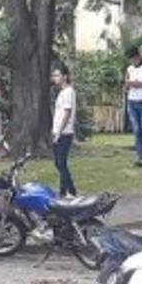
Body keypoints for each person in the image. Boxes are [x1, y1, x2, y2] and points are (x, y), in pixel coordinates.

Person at [52, 64, 77, 197]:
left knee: (61, 162)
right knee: (59, 163)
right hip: (57, 131)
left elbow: (67, 113)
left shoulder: (68, 92)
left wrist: (59, 132)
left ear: (64, 77)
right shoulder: (62, 92)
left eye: (57, 75)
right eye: (54, 75)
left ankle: (71, 190)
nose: (54, 78)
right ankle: (63, 191)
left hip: (64, 133)